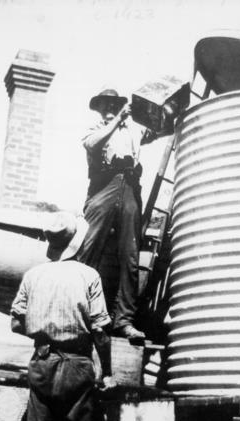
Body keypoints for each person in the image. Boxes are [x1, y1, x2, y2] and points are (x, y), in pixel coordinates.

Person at [10, 211, 116, 421]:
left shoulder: (33, 276)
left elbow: (16, 323)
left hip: (42, 364)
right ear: (77, 242)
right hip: (77, 366)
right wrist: (108, 371)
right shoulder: (88, 276)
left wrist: (45, 331)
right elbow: (100, 330)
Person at [80, 88, 157, 340]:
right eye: (106, 104)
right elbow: (93, 144)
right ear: (99, 107)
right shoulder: (95, 128)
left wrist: (158, 111)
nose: (110, 108)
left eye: (114, 104)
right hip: (103, 187)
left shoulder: (133, 129)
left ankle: (124, 320)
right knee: (88, 251)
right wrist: (116, 121)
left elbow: (158, 129)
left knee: (130, 256)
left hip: (130, 188)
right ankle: (83, 315)